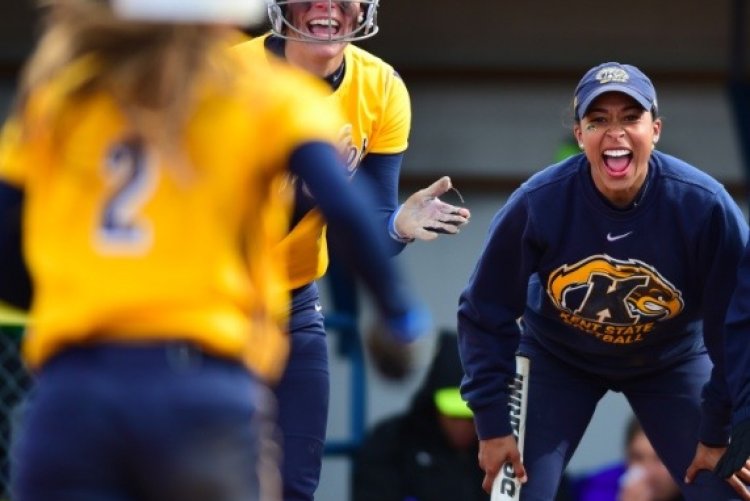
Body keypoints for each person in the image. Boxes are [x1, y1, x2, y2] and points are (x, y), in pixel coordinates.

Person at [0, 0, 429, 499]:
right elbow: (348, 210)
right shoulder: (260, 90)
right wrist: (400, 316)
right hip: (199, 371)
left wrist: (80, 295)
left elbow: (7, 250)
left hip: (79, 377)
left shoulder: (63, 93)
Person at [457, 61, 749, 500]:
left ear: (655, 130)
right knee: (511, 492)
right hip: (558, 355)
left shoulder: (702, 205)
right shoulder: (539, 201)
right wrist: (492, 424)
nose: (615, 133)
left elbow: (736, 325)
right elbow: (485, 310)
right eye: (598, 121)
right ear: (579, 135)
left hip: (670, 359)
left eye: (630, 118)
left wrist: (719, 426)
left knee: (727, 484)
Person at [234, 2, 471, 499]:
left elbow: (368, 230)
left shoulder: (380, 86)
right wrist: (312, 194)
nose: (327, 5)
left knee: (296, 482)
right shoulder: (233, 74)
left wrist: (396, 227)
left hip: (295, 299)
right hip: (217, 299)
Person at [575, 416, 684, 501]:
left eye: (660, 459)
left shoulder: (693, 489)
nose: (649, 472)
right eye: (638, 458)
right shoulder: (599, 488)